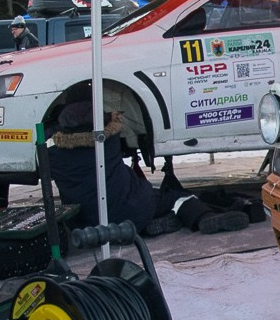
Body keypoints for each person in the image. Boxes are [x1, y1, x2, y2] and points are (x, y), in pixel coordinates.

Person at [46, 91, 249, 236]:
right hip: (130, 208)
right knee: (175, 197)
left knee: (133, 200)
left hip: (84, 224)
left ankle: (148, 226)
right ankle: (202, 217)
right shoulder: (109, 137)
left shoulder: (51, 149)